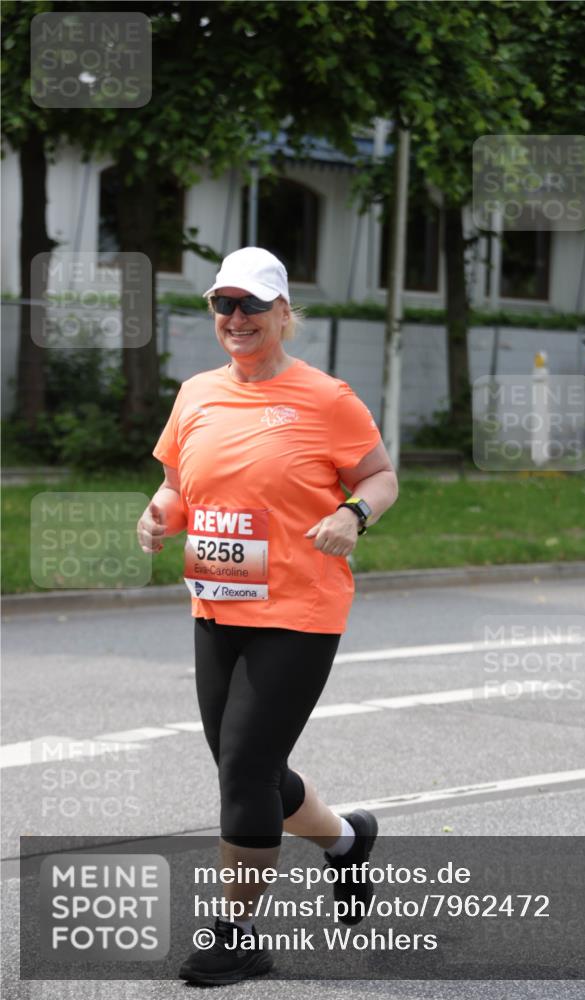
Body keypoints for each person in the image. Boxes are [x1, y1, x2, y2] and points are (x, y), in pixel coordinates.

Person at [137, 246, 398, 985]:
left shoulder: (327, 398)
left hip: (300, 607)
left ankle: (240, 933)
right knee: (243, 765)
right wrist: (157, 515)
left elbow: (380, 477)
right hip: (218, 602)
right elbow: (177, 486)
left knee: (245, 768)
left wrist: (353, 514)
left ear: (285, 313)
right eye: (224, 304)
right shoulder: (195, 395)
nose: (237, 317)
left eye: (252, 304)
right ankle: (347, 841)